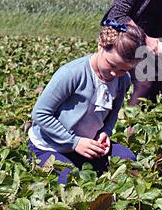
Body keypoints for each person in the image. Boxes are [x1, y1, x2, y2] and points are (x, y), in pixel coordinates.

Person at [28, 22, 146, 184]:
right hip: (50, 145)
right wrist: (74, 142)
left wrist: (105, 131)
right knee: (70, 182)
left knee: (129, 160)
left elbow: (113, 113)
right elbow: (40, 114)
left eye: (122, 69)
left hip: (88, 144)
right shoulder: (72, 73)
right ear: (101, 45)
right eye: (111, 65)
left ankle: (83, 163)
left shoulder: (122, 80)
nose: (114, 73)